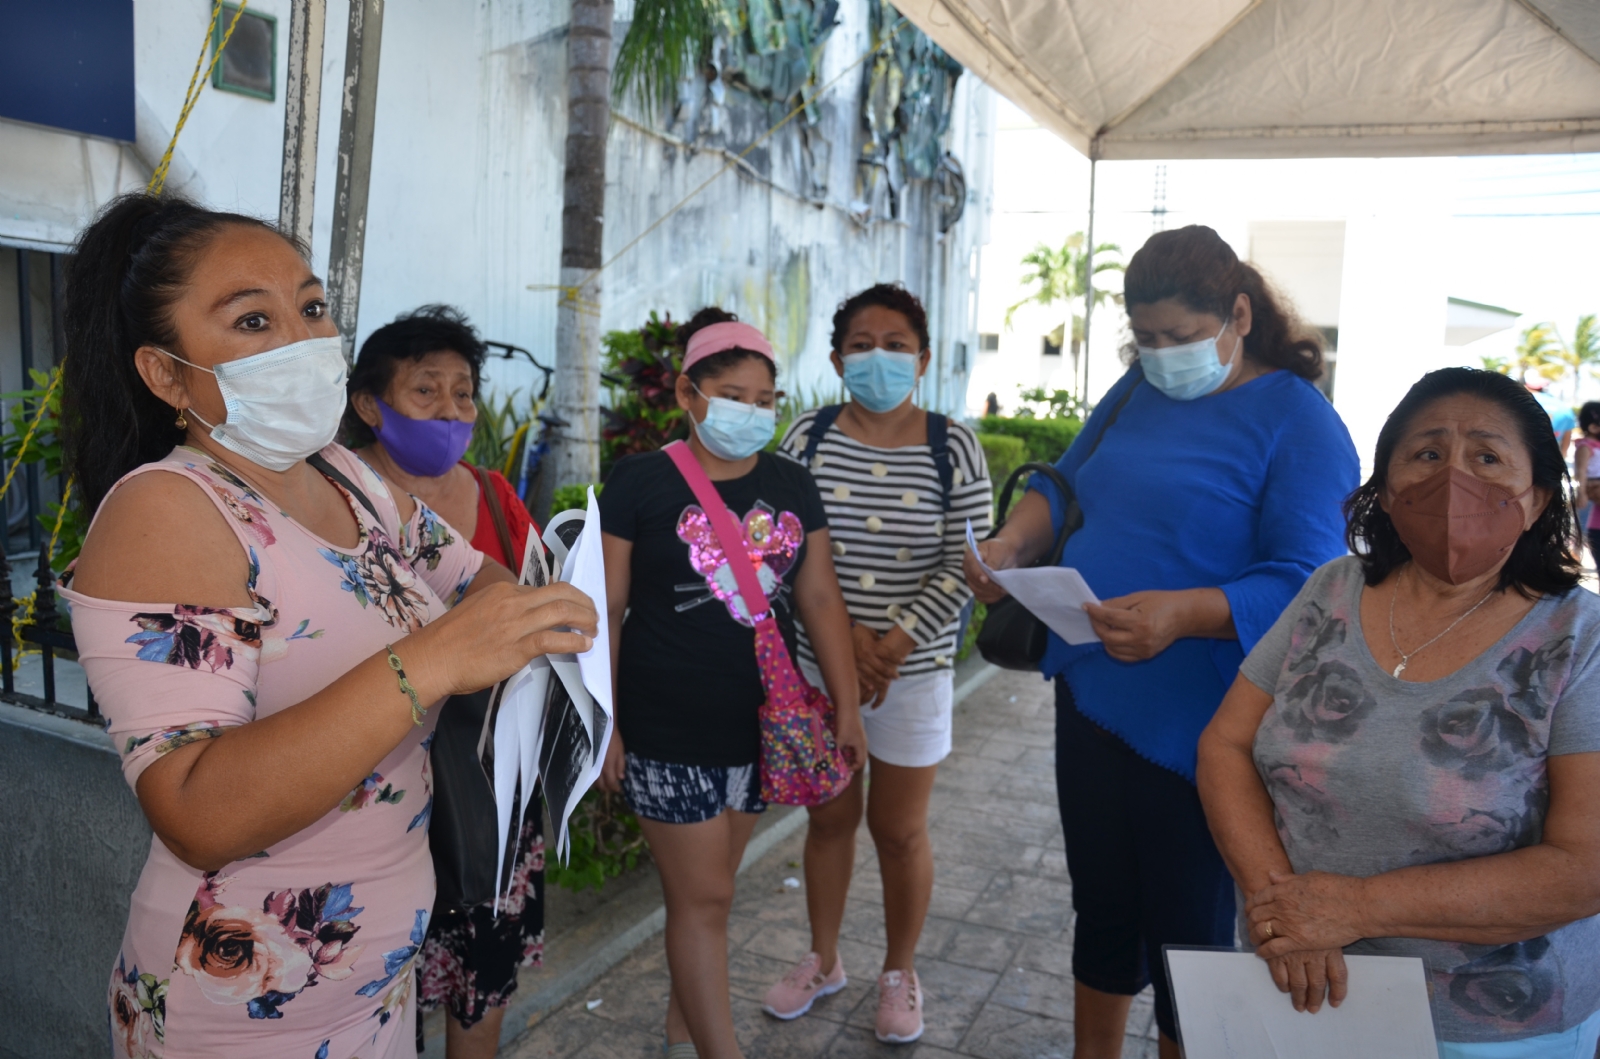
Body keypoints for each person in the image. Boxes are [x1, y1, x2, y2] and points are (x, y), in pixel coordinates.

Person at [58, 194, 596, 1059]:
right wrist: (435, 658)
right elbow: (194, 807)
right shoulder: (166, 510)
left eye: (311, 308)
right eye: (252, 320)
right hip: (241, 1009)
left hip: (377, 985)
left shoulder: (348, 474)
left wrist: (550, 618)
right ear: (166, 374)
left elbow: (476, 579)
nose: (301, 341)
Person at [963, 225, 1359, 1059]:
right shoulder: (1136, 387)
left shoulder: (1300, 421)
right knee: (1103, 905)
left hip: (1208, 727)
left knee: (1191, 930)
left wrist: (1187, 612)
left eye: (1179, 336)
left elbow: (1311, 581)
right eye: (1144, 337)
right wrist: (1010, 546)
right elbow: (1062, 485)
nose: (1159, 353)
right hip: (1095, 694)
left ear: (1240, 314)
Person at [1197, 367, 1600, 1058]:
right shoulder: (1330, 589)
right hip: (1295, 990)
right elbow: (1224, 746)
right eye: (1426, 453)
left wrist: (1352, 908)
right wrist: (1286, 911)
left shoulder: (1577, 636)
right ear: (1386, 490)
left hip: (1488, 1024)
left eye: (1487, 456)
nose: (1454, 478)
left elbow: (1585, 864)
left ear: (1535, 497)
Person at [595, 309, 866, 1059]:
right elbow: (608, 611)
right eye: (734, 393)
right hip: (663, 724)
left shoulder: (791, 482)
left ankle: (682, 1036)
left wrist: (845, 706)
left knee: (709, 893)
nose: (752, 411)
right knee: (705, 896)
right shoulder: (640, 481)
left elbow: (818, 599)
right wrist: (608, 723)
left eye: (764, 398)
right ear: (689, 392)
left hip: (764, 725)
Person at [766, 284, 992, 1043]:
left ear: (923, 360)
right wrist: (844, 647)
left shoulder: (951, 444)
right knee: (829, 818)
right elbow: (778, 543)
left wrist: (889, 644)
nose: (879, 356)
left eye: (897, 343)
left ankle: (900, 971)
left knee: (898, 829)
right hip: (814, 668)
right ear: (836, 360)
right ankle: (824, 958)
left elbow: (970, 561)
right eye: (862, 343)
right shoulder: (808, 435)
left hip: (913, 671)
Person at [341, 306, 544, 1059]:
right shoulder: (337, 499)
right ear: (370, 404)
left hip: (488, 785)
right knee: (377, 985)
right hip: (371, 782)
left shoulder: (494, 496)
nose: (452, 409)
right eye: (427, 390)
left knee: (479, 973)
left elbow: (529, 613)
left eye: (464, 392)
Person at [1572, 401, 1600, 568]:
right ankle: (1575, 553)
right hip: (1590, 490)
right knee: (1583, 527)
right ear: (1593, 427)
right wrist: (1581, 493)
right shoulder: (1585, 446)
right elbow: (1580, 471)